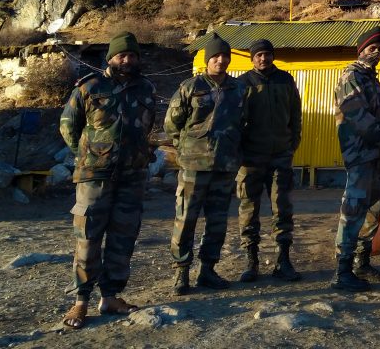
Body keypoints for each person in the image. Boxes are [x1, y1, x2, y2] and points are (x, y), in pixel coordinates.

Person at [58, 32, 156, 329]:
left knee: (123, 237)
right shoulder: (90, 87)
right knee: (88, 238)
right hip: (94, 177)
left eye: (132, 55)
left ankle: (111, 296)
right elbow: (68, 126)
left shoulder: (146, 89)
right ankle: (80, 301)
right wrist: (87, 156)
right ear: (110, 58)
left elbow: (147, 126)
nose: (127, 60)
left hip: (132, 176)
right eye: (121, 55)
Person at [165, 33, 244, 294]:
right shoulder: (190, 87)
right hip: (193, 166)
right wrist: (187, 149)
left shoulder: (238, 90)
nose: (220, 60)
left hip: (224, 166)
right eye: (216, 56)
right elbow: (172, 124)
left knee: (218, 221)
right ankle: (181, 272)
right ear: (207, 59)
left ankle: (207, 270)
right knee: (186, 218)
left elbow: (244, 124)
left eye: (225, 56)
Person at [236, 38, 302, 282]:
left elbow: (296, 115)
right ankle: (250, 262)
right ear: (252, 58)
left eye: (267, 54)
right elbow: (236, 121)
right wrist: (241, 152)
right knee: (248, 210)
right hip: (251, 159)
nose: (263, 59)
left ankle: (283, 261)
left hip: (280, 157)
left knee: (282, 209)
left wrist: (291, 144)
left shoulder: (286, 80)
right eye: (259, 55)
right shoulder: (242, 84)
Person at [331, 26, 380, 291]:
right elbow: (357, 115)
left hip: (374, 154)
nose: (375, 53)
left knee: (372, 208)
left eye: (379, 49)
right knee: (353, 209)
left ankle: (361, 262)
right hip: (359, 153)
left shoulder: (371, 79)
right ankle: (342, 270)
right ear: (361, 49)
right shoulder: (351, 75)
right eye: (371, 48)